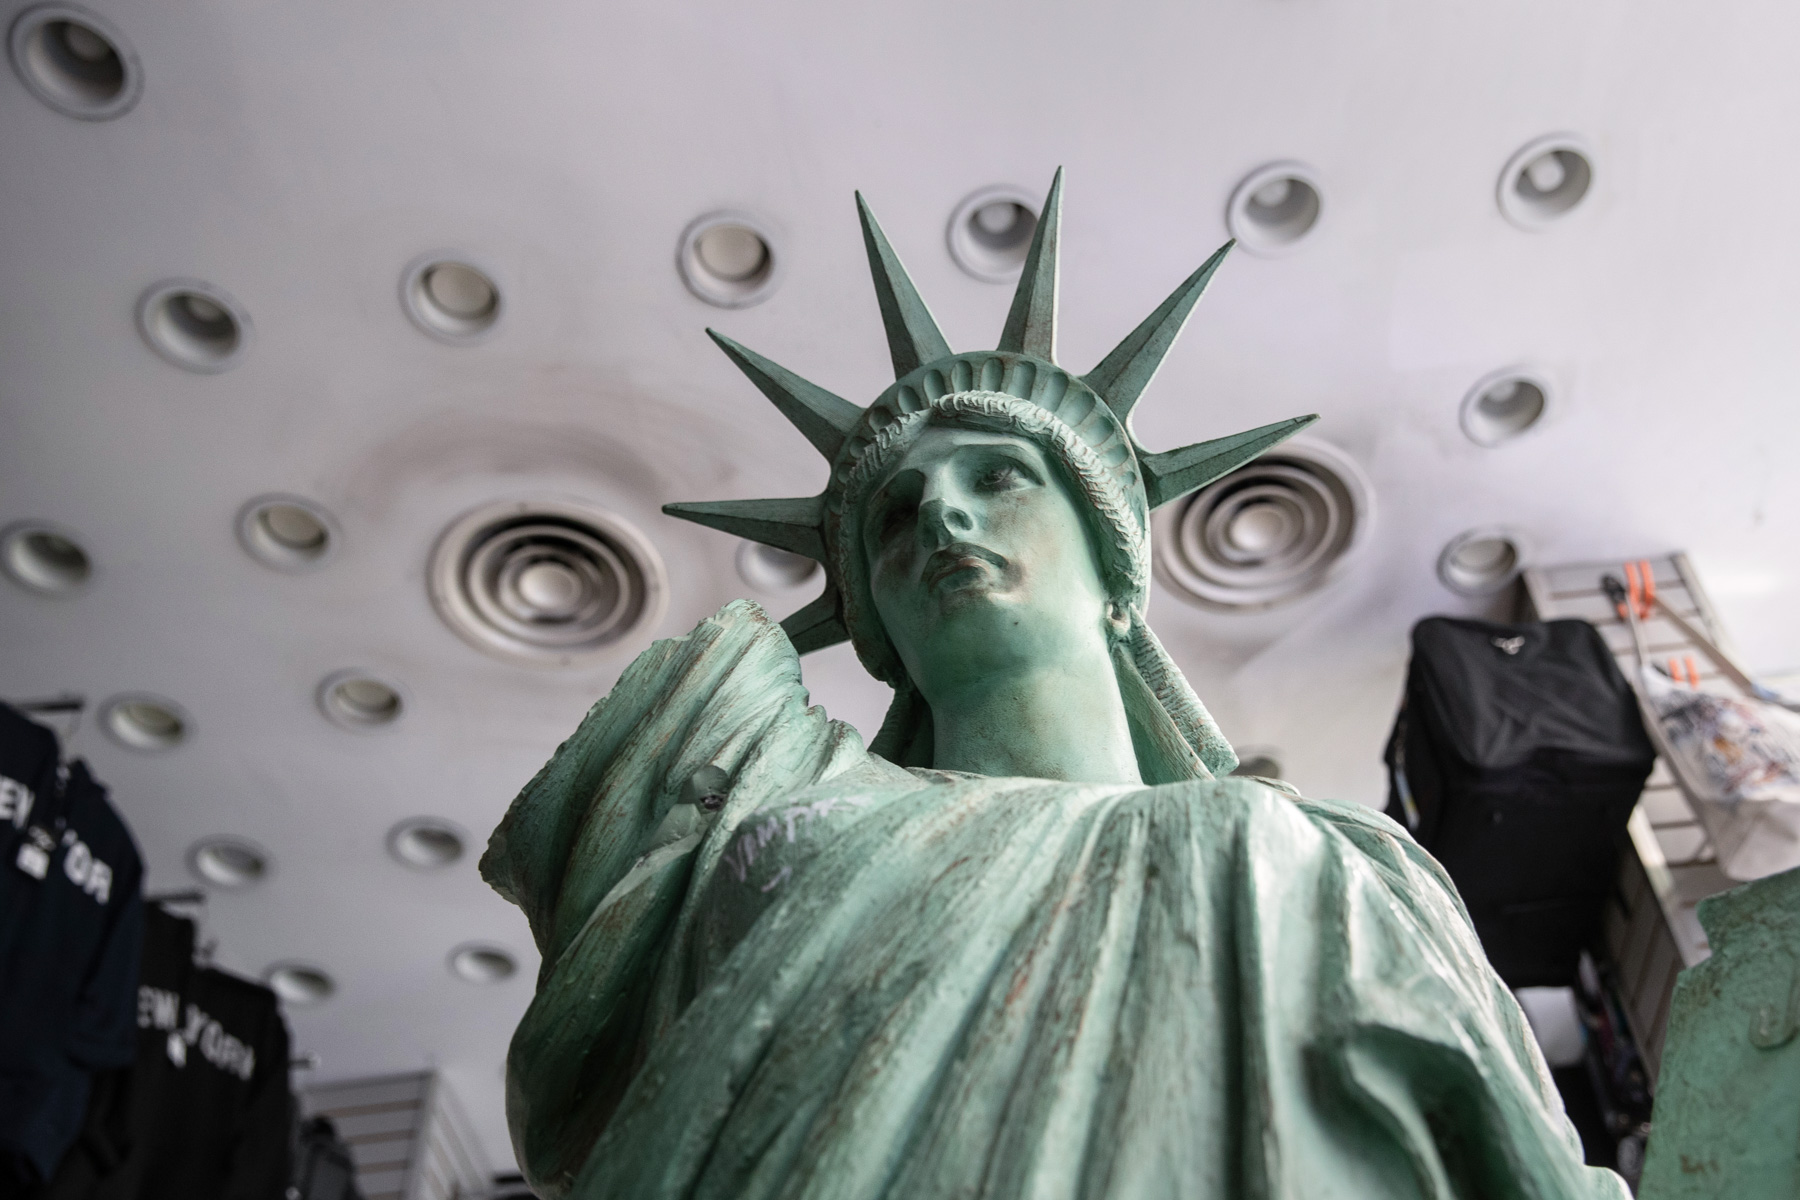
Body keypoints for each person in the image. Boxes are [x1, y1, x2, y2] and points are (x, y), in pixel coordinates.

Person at [481, 172, 1625, 1200]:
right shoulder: (767, 807)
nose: (940, 513)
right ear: (872, 631)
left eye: (997, 476)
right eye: (893, 515)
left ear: (1118, 575)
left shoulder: (1315, 864)